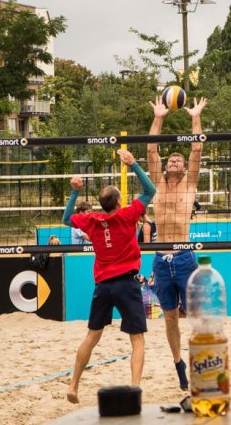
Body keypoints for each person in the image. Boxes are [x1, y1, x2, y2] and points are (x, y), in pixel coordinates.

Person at [63, 148, 156, 404]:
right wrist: (133, 164)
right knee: (137, 339)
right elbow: (150, 191)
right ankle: (135, 388)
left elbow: (65, 218)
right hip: (126, 283)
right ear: (118, 202)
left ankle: (73, 386)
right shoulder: (127, 215)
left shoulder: (91, 220)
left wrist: (74, 191)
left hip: (102, 285)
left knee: (92, 336)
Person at [147, 94, 207, 391]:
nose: (173, 160)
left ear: (184, 168)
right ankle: (178, 363)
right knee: (169, 318)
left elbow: (196, 148)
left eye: (178, 159)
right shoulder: (157, 182)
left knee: (196, 315)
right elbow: (151, 149)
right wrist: (159, 116)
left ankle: (201, 361)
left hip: (184, 256)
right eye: (171, 158)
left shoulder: (190, 183)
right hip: (160, 257)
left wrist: (195, 116)